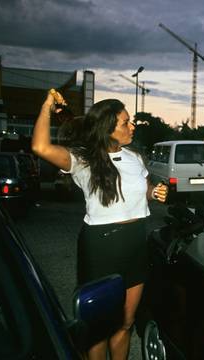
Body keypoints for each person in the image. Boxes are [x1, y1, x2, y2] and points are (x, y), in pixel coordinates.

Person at [32, 90, 168, 360]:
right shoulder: (82, 160)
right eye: (125, 122)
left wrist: (153, 192)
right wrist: (47, 107)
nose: (132, 127)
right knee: (98, 328)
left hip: (134, 242)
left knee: (125, 323)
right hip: (100, 246)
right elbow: (40, 147)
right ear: (108, 129)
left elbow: (142, 189)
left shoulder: (135, 157)